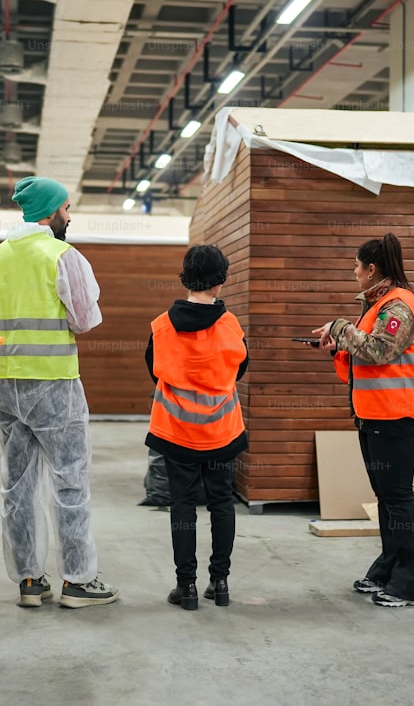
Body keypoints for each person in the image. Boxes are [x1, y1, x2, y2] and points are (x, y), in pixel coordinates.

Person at [0, 176, 119, 609]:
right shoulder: (62, 255)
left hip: (3, 385)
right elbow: (85, 319)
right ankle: (77, 580)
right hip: (53, 382)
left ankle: (30, 581)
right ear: (52, 212)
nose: (69, 217)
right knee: (69, 480)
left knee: (16, 484)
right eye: (67, 209)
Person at [313, 232, 414, 608]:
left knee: (398, 497)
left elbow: (380, 350)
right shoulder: (379, 306)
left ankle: (412, 585)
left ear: (371, 269)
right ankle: (389, 569)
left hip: (398, 416)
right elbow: (367, 354)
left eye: (356, 266)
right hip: (375, 414)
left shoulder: (399, 306)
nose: (354, 273)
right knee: (387, 497)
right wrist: (340, 344)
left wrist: (338, 327)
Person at [146, 245, 248, 611]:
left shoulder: (161, 326)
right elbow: (240, 370)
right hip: (222, 431)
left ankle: (185, 587)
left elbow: (153, 370)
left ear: (185, 277)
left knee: (183, 506)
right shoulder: (231, 326)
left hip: (176, 432)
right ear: (220, 283)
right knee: (222, 503)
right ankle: (219, 583)